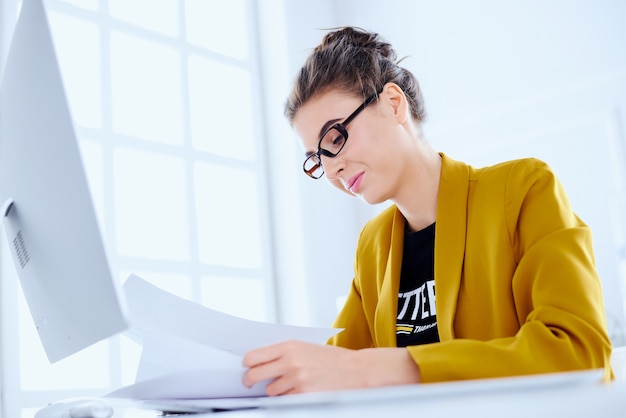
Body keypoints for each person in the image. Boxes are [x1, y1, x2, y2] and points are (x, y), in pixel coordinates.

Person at [242, 26, 613, 396]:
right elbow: (334, 367)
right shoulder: (373, 247)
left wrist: (389, 368)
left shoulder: (522, 189)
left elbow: (580, 350)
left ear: (393, 103)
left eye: (336, 137)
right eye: (317, 160)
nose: (332, 169)